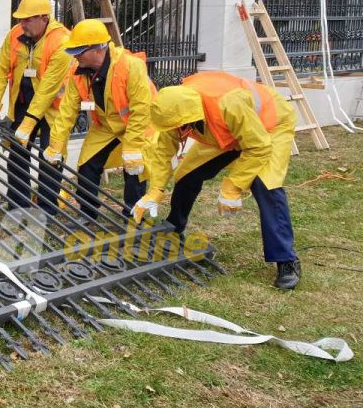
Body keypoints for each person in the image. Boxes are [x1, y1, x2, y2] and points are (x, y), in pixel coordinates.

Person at [134, 71, 301, 289]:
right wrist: (156, 189)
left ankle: (286, 260)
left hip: (269, 128)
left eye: (179, 127)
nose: (176, 132)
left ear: (190, 118)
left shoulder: (228, 103)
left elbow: (258, 147)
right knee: (186, 175)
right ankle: (174, 228)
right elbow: (162, 152)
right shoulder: (174, 111)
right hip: (222, 132)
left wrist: (232, 187)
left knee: (265, 185)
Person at [45, 19, 154, 219]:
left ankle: (133, 217)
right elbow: (67, 111)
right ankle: (88, 213)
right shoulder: (79, 73)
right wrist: (56, 144)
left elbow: (141, 109)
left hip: (138, 125)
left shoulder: (130, 66)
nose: (75, 56)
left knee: (135, 167)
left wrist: (132, 146)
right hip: (105, 126)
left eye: (79, 51)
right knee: (87, 165)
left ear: (98, 49)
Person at [0, 0, 71, 211]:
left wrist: (30, 121)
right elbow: (1, 70)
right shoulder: (14, 35)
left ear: (44, 18)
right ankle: (17, 202)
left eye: (27, 19)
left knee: (50, 156)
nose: (22, 24)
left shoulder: (62, 40)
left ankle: (46, 207)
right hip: (23, 103)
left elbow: (48, 88)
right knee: (17, 151)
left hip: (53, 108)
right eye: (20, 19)